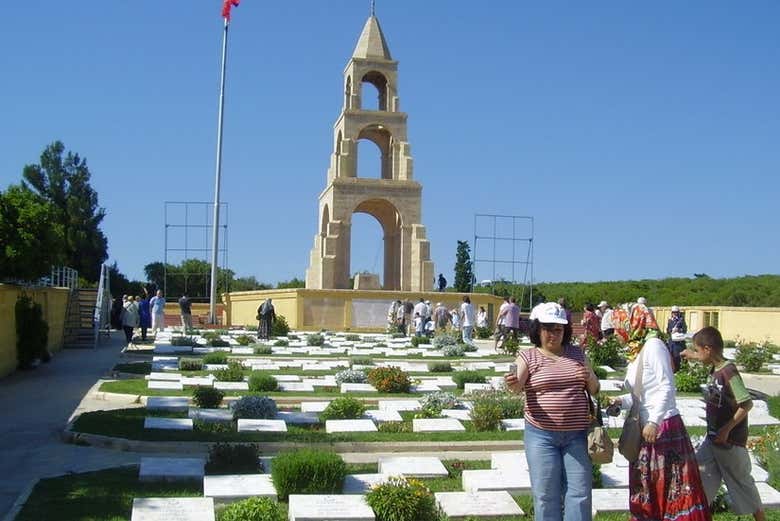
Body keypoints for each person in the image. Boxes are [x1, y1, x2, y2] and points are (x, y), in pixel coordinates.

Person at [608, 304, 710, 521]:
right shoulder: (637, 349)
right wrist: (620, 401)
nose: (615, 333)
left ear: (631, 324)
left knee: (671, 487)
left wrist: (654, 421)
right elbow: (644, 394)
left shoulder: (654, 346)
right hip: (646, 430)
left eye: (617, 327)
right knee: (649, 487)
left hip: (663, 428)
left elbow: (666, 386)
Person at [505, 302, 600, 521]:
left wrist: (590, 378)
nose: (553, 334)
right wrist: (511, 383)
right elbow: (516, 387)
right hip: (541, 436)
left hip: (577, 435)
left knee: (580, 493)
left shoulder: (577, 354)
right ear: (537, 330)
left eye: (558, 329)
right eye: (547, 328)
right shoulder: (528, 356)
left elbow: (595, 389)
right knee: (545, 495)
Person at [682, 327, 765, 521]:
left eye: (698, 349)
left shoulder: (729, 372)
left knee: (743, 484)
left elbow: (746, 404)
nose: (696, 353)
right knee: (698, 476)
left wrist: (726, 430)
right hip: (712, 440)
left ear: (708, 349)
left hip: (730, 442)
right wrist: (693, 355)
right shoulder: (716, 367)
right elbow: (704, 357)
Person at [667, 305, 688, 372]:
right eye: (673, 312)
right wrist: (670, 330)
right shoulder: (670, 320)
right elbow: (667, 330)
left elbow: (684, 330)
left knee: (678, 357)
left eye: (676, 312)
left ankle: (679, 370)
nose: (674, 313)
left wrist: (678, 330)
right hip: (671, 342)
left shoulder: (681, 320)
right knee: (671, 356)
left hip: (678, 343)